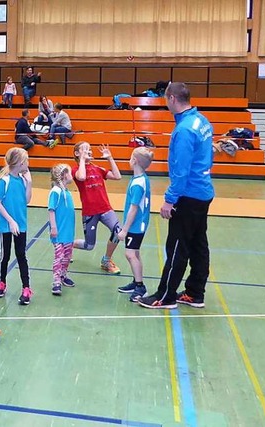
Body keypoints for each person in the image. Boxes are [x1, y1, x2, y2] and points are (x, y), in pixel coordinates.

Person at [139, 82, 214, 310]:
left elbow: (181, 172)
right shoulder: (201, 121)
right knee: (199, 244)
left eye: (165, 99)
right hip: (203, 192)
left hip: (188, 196)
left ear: (172, 99)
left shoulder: (183, 130)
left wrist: (170, 200)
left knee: (178, 247)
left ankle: (166, 296)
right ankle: (195, 292)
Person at [72, 141, 122, 274]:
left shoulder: (98, 169)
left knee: (118, 232)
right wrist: (82, 159)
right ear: (77, 154)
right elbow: (81, 178)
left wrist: (110, 158)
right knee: (89, 246)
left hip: (105, 209)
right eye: (85, 149)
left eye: (90, 149)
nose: (89, 151)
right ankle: (68, 245)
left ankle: (106, 260)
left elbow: (117, 176)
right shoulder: (75, 170)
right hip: (90, 212)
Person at [0, 147, 33, 305]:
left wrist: (29, 183)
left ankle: (26, 288)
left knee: (21, 255)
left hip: (21, 225)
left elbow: (27, 200)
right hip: (6, 225)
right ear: (20, 163)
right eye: (26, 160)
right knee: (5, 255)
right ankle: (1, 282)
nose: (28, 163)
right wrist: (10, 221)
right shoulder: (5, 180)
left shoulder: (23, 180)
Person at [117, 147, 154, 302]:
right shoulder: (140, 178)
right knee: (135, 253)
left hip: (136, 225)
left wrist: (125, 230)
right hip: (139, 224)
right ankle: (135, 281)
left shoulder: (138, 184)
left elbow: (134, 208)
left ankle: (140, 287)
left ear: (135, 161)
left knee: (130, 254)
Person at [48, 164, 76, 296]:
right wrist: (53, 227)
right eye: (70, 173)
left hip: (68, 232)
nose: (72, 175)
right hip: (59, 232)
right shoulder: (56, 191)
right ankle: (56, 281)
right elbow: (51, 210)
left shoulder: (67, 192)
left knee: (67, 256)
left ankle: (63, 275)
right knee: (59, 256)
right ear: (64, 175)